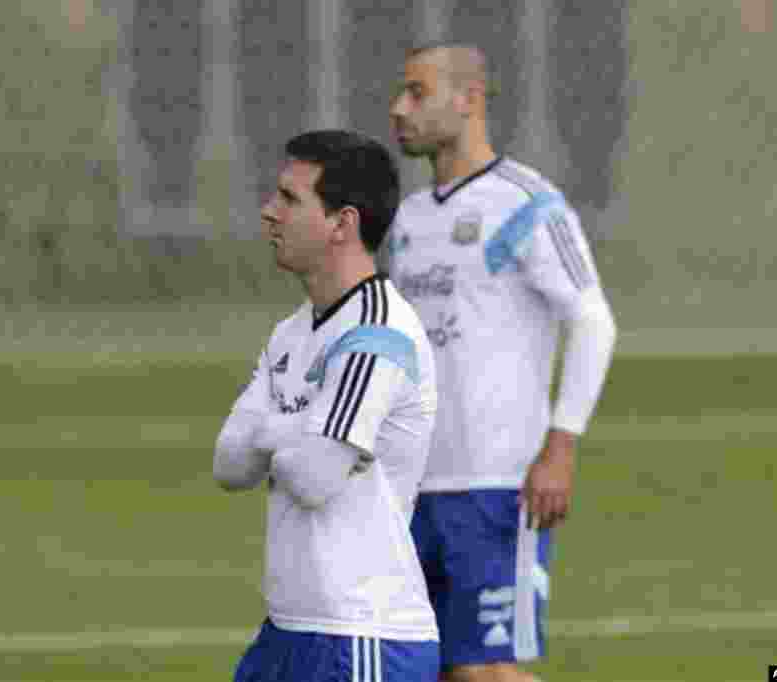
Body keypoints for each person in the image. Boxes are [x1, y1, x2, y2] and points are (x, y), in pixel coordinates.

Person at [386, 44, 618, 682]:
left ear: (468, 100)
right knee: (424, 670)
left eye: (416, 92)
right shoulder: (408, 220)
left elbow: (593, 320)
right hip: (412, 489)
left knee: (484, 672)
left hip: (496, 485)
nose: (398, 108)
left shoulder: (527, 204)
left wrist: (561, 445)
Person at [213, 130, 441, 682]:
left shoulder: (377, 333)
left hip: (360, 636)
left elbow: (314, 477)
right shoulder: (290, 334)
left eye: (290, 199)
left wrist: (269, 432)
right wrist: (298, 430)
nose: (270, 212)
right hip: (288, 630)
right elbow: (229, 465)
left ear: (343, 223)